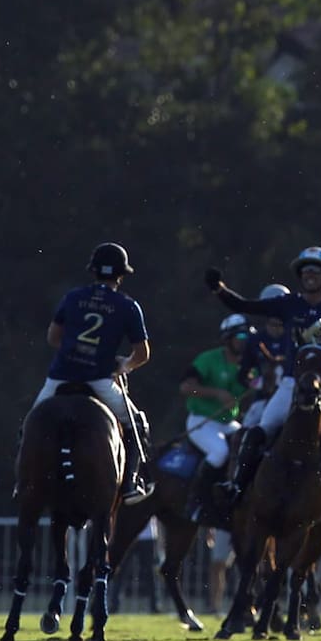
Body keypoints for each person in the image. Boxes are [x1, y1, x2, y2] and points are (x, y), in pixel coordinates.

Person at [204, 246, 321, 537]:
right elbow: (245, 306)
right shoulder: (289, 304)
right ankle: (237, 486)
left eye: (315, 271)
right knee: (259, 430)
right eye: (306, 271)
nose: (310, 275)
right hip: (292, 382)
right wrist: (219, 289)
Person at [25, 242, 152, 504]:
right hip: (99, 380)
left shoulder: (72, 297)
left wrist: (76, 351)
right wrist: (123, 365)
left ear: (93, 271)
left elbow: (53, 338)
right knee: (137, 424)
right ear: (121, 274)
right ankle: (130, 483)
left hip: (61, 377)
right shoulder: (128, 306)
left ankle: (23, 482)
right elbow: (142, 354)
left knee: (30, 424)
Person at [179, 314, 251, 518]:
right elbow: (186, 388)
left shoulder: (249, 365)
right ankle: (196, 502)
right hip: (202, 421)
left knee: (251, 446)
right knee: (220, 452)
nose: (245, 341)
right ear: (228, 339)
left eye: (247, 337)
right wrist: (217, 393)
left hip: (229, 423)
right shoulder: (208, 359)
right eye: (240, 337)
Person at [239, 284, 292, 429]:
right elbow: (243, 375)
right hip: (263, 399)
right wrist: (258, 383)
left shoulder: (295, 337)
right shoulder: (255, 340)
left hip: (291, 399)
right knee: (244, 431)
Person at [109, 516, 161, 614]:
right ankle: (114, 605)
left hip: (146, 536)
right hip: (128, 535)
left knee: (149, 573)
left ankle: (154, 605)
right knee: (120, 571)